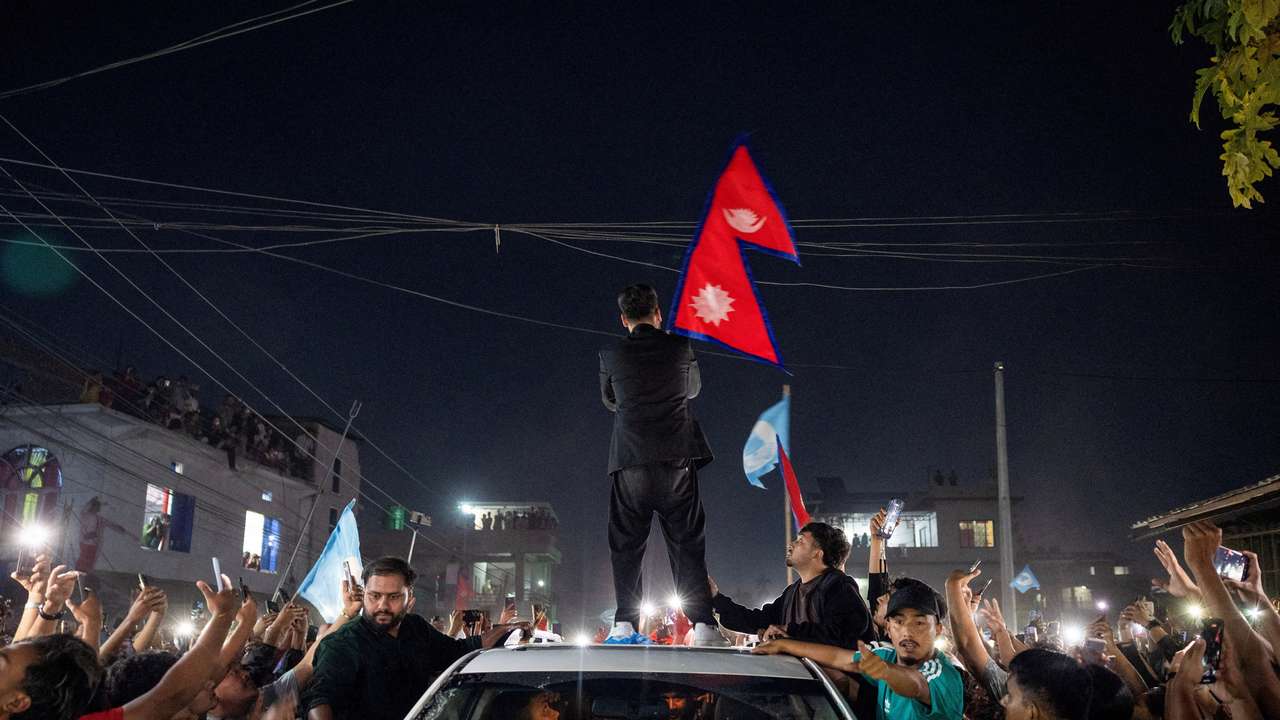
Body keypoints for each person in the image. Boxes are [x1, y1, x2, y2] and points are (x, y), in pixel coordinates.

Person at [599, 284, 717, 644]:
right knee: (687, 542)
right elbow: (692, 389)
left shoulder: (611, 353)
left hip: (630, 460)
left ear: (623, 319)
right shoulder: (680, 347)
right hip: (676, 461)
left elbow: (610, 401)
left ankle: (624, 624)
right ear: (658, 313)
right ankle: (703, 625)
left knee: (626, 543)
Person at [302, 556, 527, 720]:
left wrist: (507, 628)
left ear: (409, 597)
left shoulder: (416, 629)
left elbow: (461, 651)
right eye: (374, 596)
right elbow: (319, 701)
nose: (382, 605)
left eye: (393, 597)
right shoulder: (343, 643)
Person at [754, 579, 964, 719]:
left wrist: (886, 672)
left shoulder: (941, 675)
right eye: (899, 622)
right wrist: (783, 644)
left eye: (919, 623)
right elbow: (838, 658)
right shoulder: (886, 655)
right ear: (888, 628)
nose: (907, 632)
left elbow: (915, 684)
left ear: (937, 629)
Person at [709, 521, 874, 648]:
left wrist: (789, 632)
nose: (791, 544)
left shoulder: (839, 587)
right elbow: (757, 621)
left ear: (818, 553)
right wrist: (716, 598)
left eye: (800, 541)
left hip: (834, 689)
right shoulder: (792, 593)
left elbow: (843, 633)